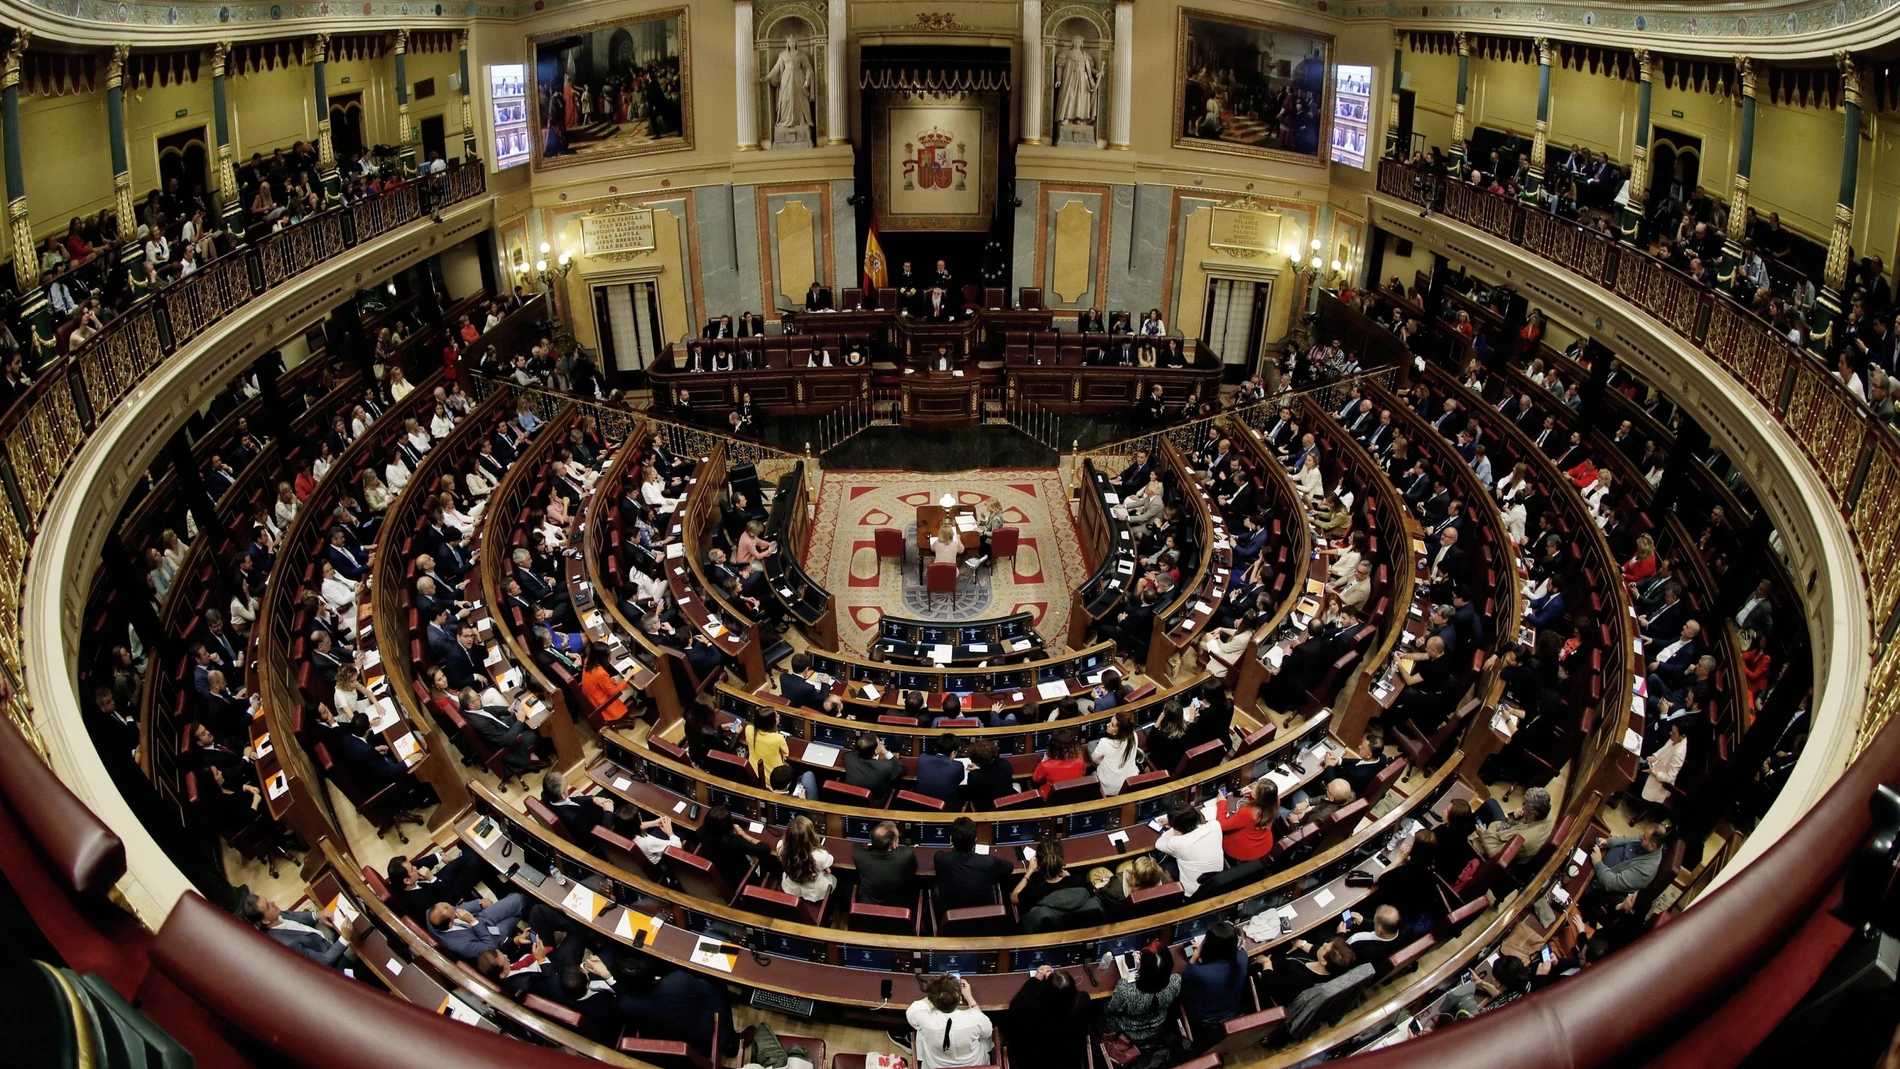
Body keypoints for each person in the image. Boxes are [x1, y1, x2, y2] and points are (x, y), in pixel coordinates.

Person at [1100, 948, 1184, 1069]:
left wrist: (1124, 977)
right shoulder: (1176, 981)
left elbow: (1113, 1008)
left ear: (1143, 970)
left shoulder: (1128, 992)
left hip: (1128, 1030)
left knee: (1104, 1008)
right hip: (1156, 1027)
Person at [240, 894, 361, 972]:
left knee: (351, 904)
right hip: (331, 957)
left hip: (318, 936)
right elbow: (325, 961)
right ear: (265, 921)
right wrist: (344, 938)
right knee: (361, 942)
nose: (272, 902)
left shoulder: (275, 915)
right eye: (268, 905)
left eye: (267, 900)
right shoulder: (287, 944)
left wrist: (317, 915)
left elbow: (294, 915)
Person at [1003, 966, 1090, 1069]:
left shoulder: (1028, 1008)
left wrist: (1035, 979)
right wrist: (1054, 981)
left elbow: (1017, 1004)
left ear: (1045, 990)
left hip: (1033, 1062)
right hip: (1068, 1061)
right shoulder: (1082, 1002)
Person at [900, 973, 994, 1068]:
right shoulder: (975, 1018)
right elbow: (988, 1033)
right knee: (985, 1037)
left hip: (935, 1066)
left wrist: (936, 994)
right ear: (958, 999)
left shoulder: (924, 1019)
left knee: (920, 1032)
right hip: (975, 1065)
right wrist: (969, 996)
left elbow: (913, 1010)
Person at [1182, 920, 1251, 1037]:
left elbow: (1185, 977)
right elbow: (1240, 951)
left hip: (1205, 1019)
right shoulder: (1242, 958)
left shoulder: (1198, 971)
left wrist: (1196, 954)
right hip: (1233, 1012)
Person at [935, 816, 1014, 911]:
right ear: (975, 841)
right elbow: (1010, 867)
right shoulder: (989, 862)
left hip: (952, 920)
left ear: (951, 840)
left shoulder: (940, 859)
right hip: (983, 919)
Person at [426, 893, 530, 960]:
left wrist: (480, 904)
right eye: (452, 910)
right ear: (450, 924)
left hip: (482, 918)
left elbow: (458, 908)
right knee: (518, 914)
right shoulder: (463, 947)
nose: (454, 908)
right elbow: (492, 948)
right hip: (491, 936)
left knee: (518, 900)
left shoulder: (430, 914)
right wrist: (473, 922)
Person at [1257, 936, 1356, 1006]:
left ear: (1324, 961)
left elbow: (1274, 988)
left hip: (1269, 973)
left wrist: (1266, 962)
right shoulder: (1333, 967)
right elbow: (1315, 949)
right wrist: (1302, 944)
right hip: (1282, 961)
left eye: (1325, 947)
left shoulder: (1298, 977)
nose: (1324, 944)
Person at [1155, 801, 1224, 895]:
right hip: (1217, 884)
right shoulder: (1215, 826)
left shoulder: (1178, 843)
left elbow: (1158, 844)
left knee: (1164, 864)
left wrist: (1172, 827)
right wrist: (1176, 823)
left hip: (1193, 893)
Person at [698, 805, 774, 888]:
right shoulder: (735, 842)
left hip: (720, 874)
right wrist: (744, 834)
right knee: (767, 858)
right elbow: (765, 849)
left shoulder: (700, 832)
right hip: (741, 880)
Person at [853, 820, 918, 907]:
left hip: (867, 913)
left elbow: (857, 845)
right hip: (898, 910)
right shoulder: (906, 855)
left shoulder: (859, 856)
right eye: (897, 839)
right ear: (893, 845)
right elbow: (912, 870)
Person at [775, 814, 837, 902]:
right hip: (814, 891)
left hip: (791, 887)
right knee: (833, 879)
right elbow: (830, 860)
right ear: (811, 835)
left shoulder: (781, 846)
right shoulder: (819, 855)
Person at [1216, 777, 1278, 863]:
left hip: (1245, 851)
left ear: (1259, 797)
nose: (1252, 786)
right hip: (1264, 845)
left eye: (1254, 788)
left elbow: (1222, 825)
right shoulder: (1274, 801)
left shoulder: (1248, 813)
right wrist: (1252, 796)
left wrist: (1221, 803)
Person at [1090, 708, 1142, 796]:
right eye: (1110, 722)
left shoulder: (1105, 742)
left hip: (1108, 788)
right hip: (1129, 783)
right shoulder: (1134, 736)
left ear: (1120, 732)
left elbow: (1095, 760)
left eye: (1112, 725)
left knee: (1091, 745)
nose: (1107, 725)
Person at [579, 645, 632, 723]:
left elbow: (598, 681)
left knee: (618, 677)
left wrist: (619, 680)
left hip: (593, 696)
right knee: (633, 688)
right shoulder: (601, 673)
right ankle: (633, 711)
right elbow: (614, 693)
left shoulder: (587, 660)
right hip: (604, 703)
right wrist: (626, 678)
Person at [843, 730, 904, 795]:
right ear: (875, 751)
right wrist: (885, 752)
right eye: (879, 743)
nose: (881, 743)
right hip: (873, 801)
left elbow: (853, 752)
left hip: (851, 796)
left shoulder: (849, 758)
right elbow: (901, 769)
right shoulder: (885, 767)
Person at [1032, 728, 1087, 798]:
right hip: (1074, 796)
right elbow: (1083, 773)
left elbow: (1036, 778)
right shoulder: (1080, 760)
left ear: (1051, 748)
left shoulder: (1045, 765)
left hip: (1050, 799)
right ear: (1073, 747)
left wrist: (1044, 760)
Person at [915, 732, 964, 808]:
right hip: (945, 808)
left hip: (921, 806)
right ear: (953, 752)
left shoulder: (922, 758)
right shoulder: (958, 766)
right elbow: (959, 779)